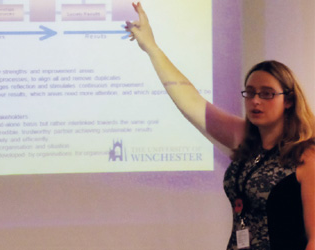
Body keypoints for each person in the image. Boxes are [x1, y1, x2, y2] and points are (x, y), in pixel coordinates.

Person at [125, 2, 315, 250]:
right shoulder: (244, 138)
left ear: (288, 100)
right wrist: (151, 48)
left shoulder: (306, 155)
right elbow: (190, 102)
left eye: (267, 94)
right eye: (250, 93)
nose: (256, 101)